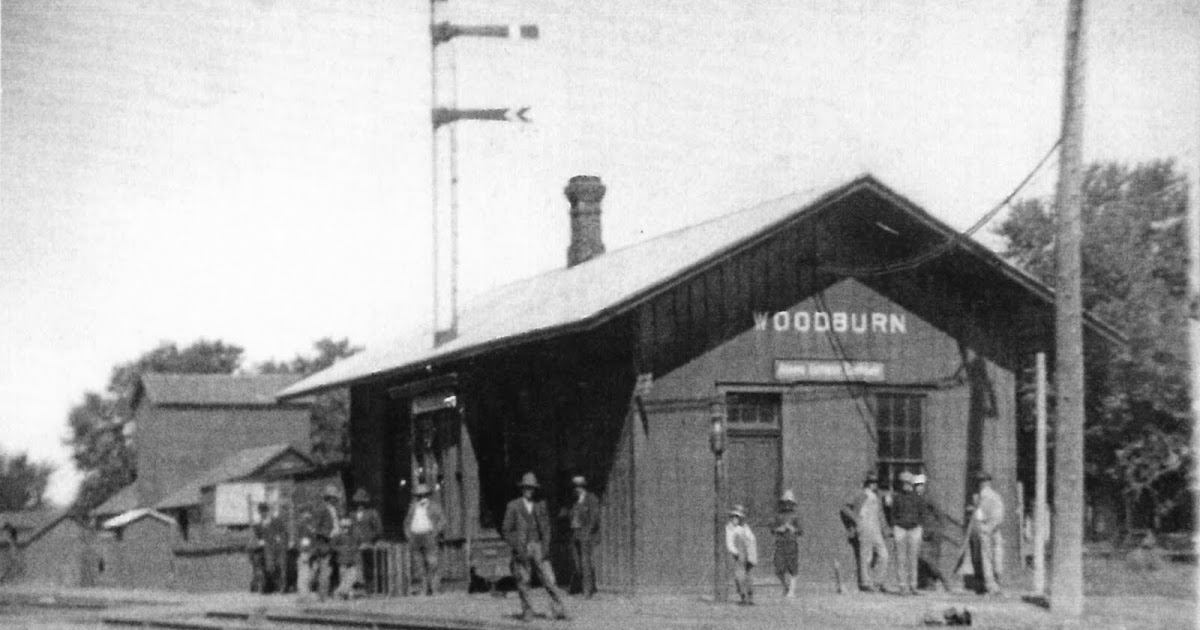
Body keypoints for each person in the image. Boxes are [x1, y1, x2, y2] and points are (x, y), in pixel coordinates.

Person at [502, 472, 568, 621]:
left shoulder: (540, 505)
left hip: (538, 545)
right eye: (526, 488)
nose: (529, 491)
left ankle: (558, 609)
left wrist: (545, 546)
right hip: (522, 547)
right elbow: (506, 530)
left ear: (535, 489)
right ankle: (527, 611)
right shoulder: (513, 506)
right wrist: (516, 545)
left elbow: (546, 528)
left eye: (531, 488)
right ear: (522, 489)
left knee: (549, 579)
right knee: (523, 581)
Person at [841, 471, 890, 593]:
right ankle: (865, 583)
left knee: (884, 555)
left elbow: (881, 514)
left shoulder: (877, 497)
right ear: (867, 483)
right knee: (866, 555)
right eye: (871, 482)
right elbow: (845, 508)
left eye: (875, 482)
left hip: (876, 528)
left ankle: (878, 581)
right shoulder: (860, 495)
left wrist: (885, 529)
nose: (874, 485)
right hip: (865, 526)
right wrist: (856, 519)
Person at [890, 472, 932, 595]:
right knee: (900, 558)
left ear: (911, 484)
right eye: (904, 483)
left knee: (913, 558)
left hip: (914, 529)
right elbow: (892, 513)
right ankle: (902, 586)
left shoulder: (918, 498)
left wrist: (920, 526)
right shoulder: (897, 497)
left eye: (908, 483)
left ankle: (913, 585)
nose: (906, 485)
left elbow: (923, 513)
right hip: (900, 529)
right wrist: (895, 525)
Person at [404, 483, 446, 595]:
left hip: (429, 536)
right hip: (415, 537)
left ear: (428, 495)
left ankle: (434, 587)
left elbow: (442, 520)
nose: (421, 497)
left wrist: (436, 532)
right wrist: (408, 534)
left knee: (432, 563)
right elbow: (407, 522)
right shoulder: (413, 507)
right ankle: (424, 588)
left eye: (423, 495)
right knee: (419, 565)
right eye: (419, 495)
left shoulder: (434, 506)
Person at [913, 474, 948, 591]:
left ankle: (944, 580)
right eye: (916, 486)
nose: (918, 488)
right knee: (924, 558)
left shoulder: (928, 498)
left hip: (933, 533)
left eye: (921, 486)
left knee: (930, 559)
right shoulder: (917, 498)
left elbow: (939, 513)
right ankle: (930, 583)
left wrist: (939, 529)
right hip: (924, 532)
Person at [567, 475, 600, 598]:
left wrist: (587, 533)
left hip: (585, 534)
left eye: (580, 486)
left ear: (584, 487)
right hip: (575, 533)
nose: (577, 489)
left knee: (585, 562)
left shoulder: (591, 499)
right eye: (575, 486)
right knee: (577, 562)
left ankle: (587, 591)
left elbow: (594, 518)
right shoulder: (574, 501)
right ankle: (582, 587)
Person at [973, 472, 1005, 595]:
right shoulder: (996, 496)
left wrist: (986, 527)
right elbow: (1000, 515)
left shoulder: (982, 497)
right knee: (997, 558)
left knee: (987, 559)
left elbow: (980, 516)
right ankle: (997, 585)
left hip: (988, 529)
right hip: (995, 530)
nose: (983, 484)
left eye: (983, 482)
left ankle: (992, 586)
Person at [312, 484, 343, 601]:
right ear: (329, 498)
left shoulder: (335, 510)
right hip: (325, 544)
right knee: (325, 570)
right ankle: (323, 595)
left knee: (334, 569)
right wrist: (328, 534)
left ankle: (332, 593)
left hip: (336, 543)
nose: (336, 500)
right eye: (334, 498)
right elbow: (315, 528)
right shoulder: (321, 510)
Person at [349, 489, 383, 594]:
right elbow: (350, 528)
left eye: (362, 502)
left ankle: (371, 588)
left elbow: (378, 529)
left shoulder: (372, 513)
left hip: (368, 544)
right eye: (358, 502)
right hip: (355, 545)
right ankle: (358, 587)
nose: (360, 504)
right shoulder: (352, 515)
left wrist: (369, 538)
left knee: (370, 566)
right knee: (356, 567)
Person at [771, 490, 802, 598]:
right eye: (785, 502)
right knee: (778, 568)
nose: (787, 505)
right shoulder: (778, 515)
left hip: (792, 543)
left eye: (789, 502)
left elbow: (801, 530)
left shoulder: (795, 516)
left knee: (793, 568)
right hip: (780, 543)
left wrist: (792, 528)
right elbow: (773, 529)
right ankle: (786, 586)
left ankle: (792, 591)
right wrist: (781, 528)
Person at [725, 504, 758, 605]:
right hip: (738, 554)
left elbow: (751, 539)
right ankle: (743, 596)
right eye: (733, 517)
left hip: (748, 553)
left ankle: (750, 596)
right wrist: (737, 553)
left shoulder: (745, 527)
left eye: (737, 517)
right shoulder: (729, 528)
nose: (735, 519)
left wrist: (751, 552)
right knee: (739, 576)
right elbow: (729, 543)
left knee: (749, 576)